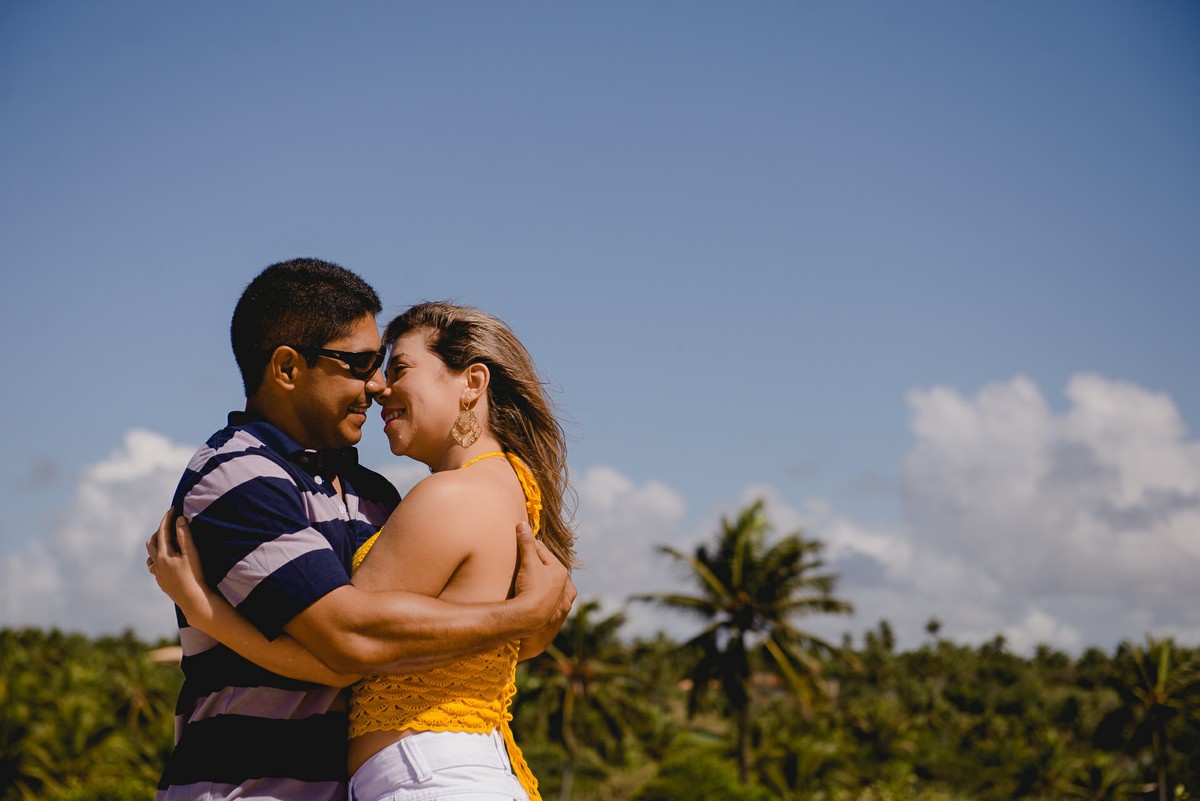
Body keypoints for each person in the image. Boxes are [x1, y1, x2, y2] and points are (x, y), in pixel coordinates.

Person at [146, 260, 574, 801]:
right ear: (286, 368)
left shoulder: (379, 495)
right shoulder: (238, 475)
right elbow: (351, 642)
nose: (376, 386)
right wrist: (521, 619)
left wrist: (524, 624)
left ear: (473, 383)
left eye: (389, 367)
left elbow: (379, 645)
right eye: (360, 364)